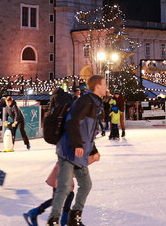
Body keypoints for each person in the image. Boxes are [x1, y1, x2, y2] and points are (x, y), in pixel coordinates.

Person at [51, 74, 107, 226]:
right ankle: (53, 220)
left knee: (86, 185)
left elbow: (87, 131)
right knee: (64, 187)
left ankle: (74, 218)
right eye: (104, 84)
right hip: (68, 150)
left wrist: (93, 150)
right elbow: (72, 121)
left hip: (80, 152)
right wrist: (77, 144)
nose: (106, 87)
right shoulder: (85, 101)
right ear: (97, 86)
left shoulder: (94, 103)